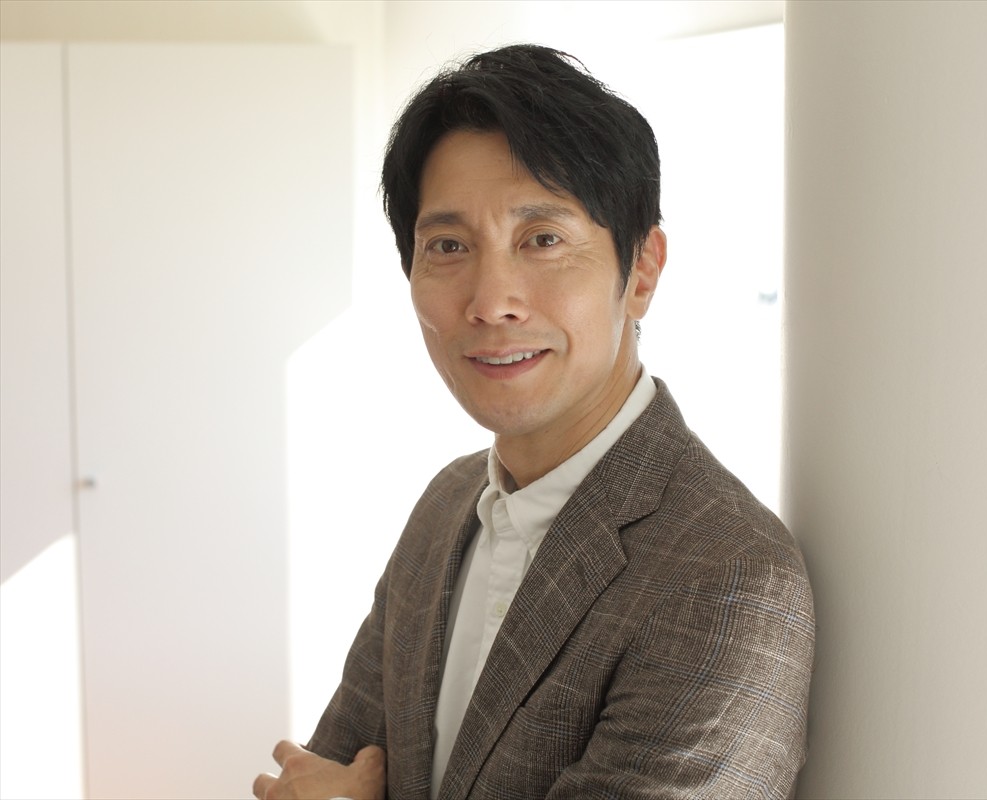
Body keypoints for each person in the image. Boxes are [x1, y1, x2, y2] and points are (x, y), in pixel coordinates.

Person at [253, 43, 814, 800]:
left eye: (542, 240)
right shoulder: (445, 506)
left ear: (642, 270)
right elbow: (323, 772)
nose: (492, 302)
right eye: (448, 246)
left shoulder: (727, 575)